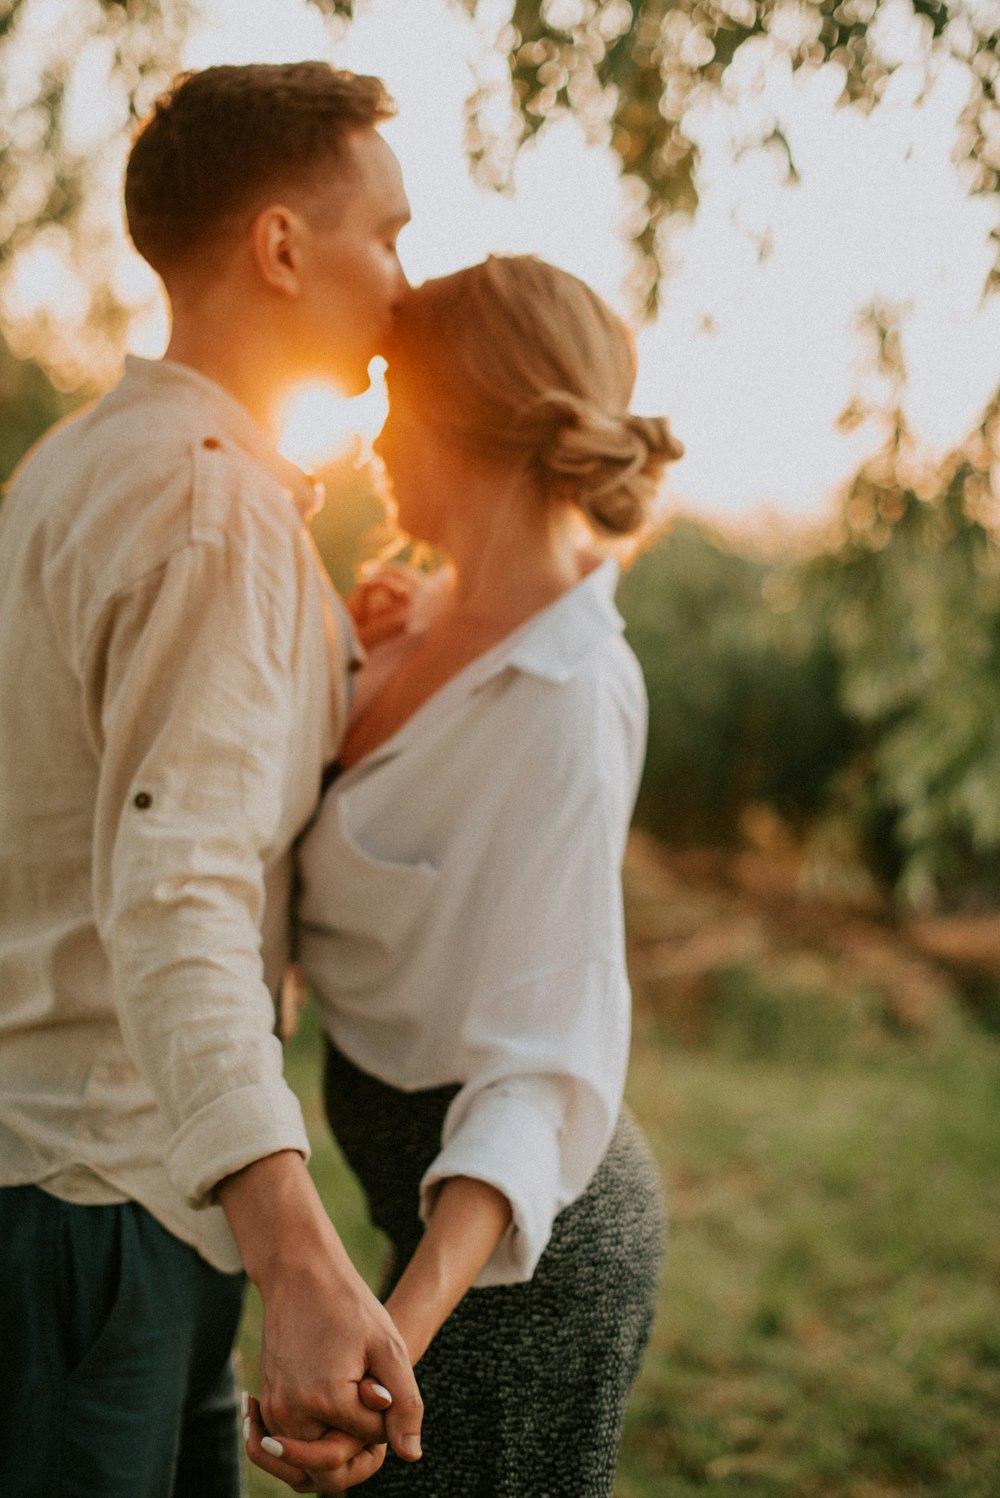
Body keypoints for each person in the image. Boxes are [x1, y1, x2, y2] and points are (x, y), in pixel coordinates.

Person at [0, 61, 424, 1497]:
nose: (403, 284)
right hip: (101, 1201)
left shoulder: (79, 464)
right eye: (387, 233)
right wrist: (298, 1251)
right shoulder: (209, 502)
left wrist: (331, 659)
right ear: (285, 246)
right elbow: (176, 885)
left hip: (79, 1181)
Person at [250, 255, 682, 1495]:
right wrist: (345, 659)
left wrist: (393, 1341)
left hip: (512, 1260)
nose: (375, 437)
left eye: (397, 400)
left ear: (471, 422)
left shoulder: (567, 701)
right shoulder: (418, 616)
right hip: (415, 1216)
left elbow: (538, 1068)